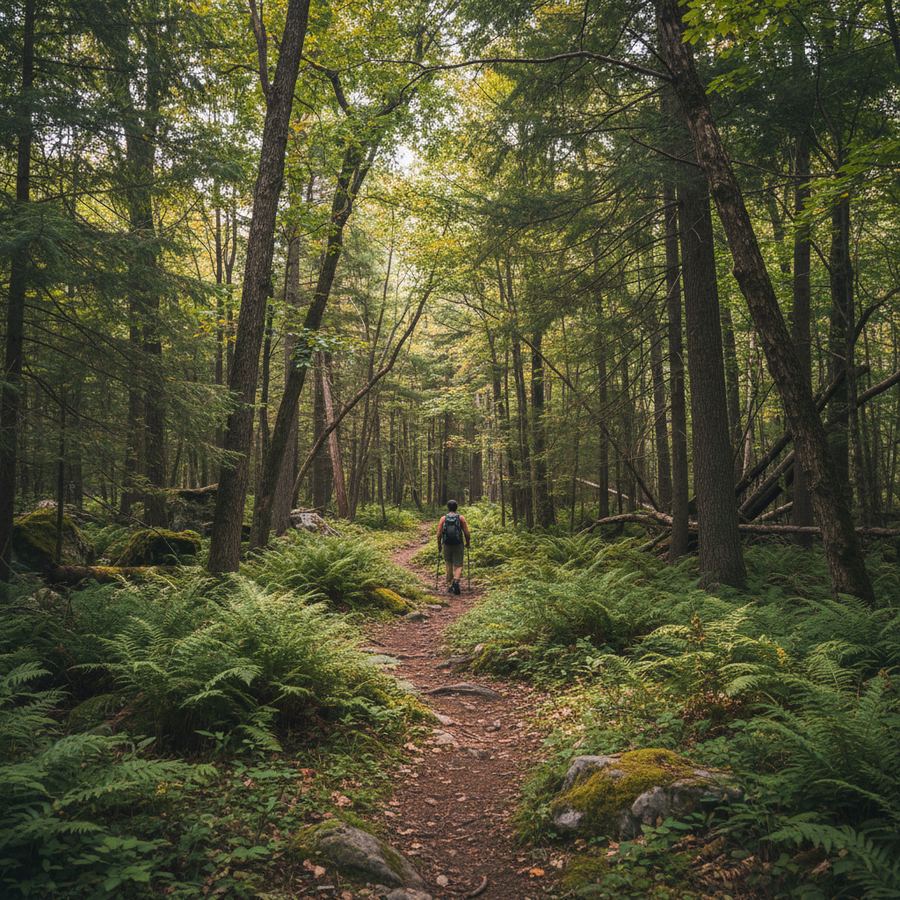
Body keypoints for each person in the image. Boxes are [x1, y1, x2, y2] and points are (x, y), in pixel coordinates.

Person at [437, 499, 470, 595]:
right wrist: (468, 543)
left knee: (448, 563)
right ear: (456, 507)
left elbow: (439, 534)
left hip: (446, 544)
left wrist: (439, 545)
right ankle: (456, 582)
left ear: (448, 507)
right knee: (458, 565)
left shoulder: (443, 518)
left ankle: (450, 585)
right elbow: (467, 533)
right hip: (458, 544)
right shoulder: (461, 518)